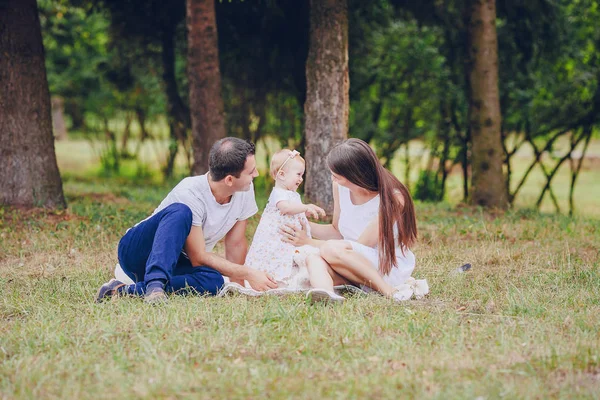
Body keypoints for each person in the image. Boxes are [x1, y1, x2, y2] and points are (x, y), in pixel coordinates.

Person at [96, 137, 278, 304]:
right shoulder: (189, 192)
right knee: (181, 211)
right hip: (137, 252)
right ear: (229, 180)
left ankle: (124, 291)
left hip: (178, 260)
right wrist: (248, 272)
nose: (256, 175)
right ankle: (155, 285)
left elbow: (236, 243)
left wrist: (240, 286)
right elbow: (198, 257)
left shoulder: (244, 189)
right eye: (251, 171)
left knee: (214, 281)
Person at [280, 138, 427, 303]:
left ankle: (388, 291)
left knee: (327, 250)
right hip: (348, 261)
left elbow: (360, 245)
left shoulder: (394, 198)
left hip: (385, 266)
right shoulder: (340, 187)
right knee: (313, 260)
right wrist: (300, 223)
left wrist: (307, 241)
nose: (333, 180)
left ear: (356, 175)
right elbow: (337, 231)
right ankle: (328, 295)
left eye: (337, 176)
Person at [243, 149, 325, 286]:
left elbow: (293, 210)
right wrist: (305, 206)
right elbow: (286, 208)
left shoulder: (291, 193)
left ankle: (291, 276)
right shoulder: (279, 193)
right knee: (276, 257)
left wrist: (304, 212)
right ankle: (274, 276)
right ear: (281, 175)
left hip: (287, 236)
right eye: (298, 174)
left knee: (288, 257)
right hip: (277, 238)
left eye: (302, 175)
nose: (301, 179)